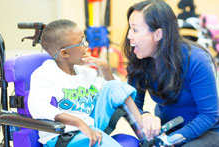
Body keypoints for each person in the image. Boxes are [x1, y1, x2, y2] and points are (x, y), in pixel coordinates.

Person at [28, 19, 143, 147]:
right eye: (81, 42)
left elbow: (116, 93)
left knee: (115, 87)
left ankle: (146, 134)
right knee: (103, 141)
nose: (87, 44)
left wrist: (105, 68)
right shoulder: (45, 73)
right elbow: (38, 108)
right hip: (63, 137)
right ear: (64, 53)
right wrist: (79, 123)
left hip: (89, 127)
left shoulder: (84, 72)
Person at [122, 0, 219, 146]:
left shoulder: (196, 60)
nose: (129, 36)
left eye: (135, 30)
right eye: (129, 28)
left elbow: (209, 115)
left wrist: (170, 140)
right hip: (168, 130)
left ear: (158, 34)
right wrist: (145, 116)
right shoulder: (140, 60)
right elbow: (133, 106)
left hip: (206, 132)